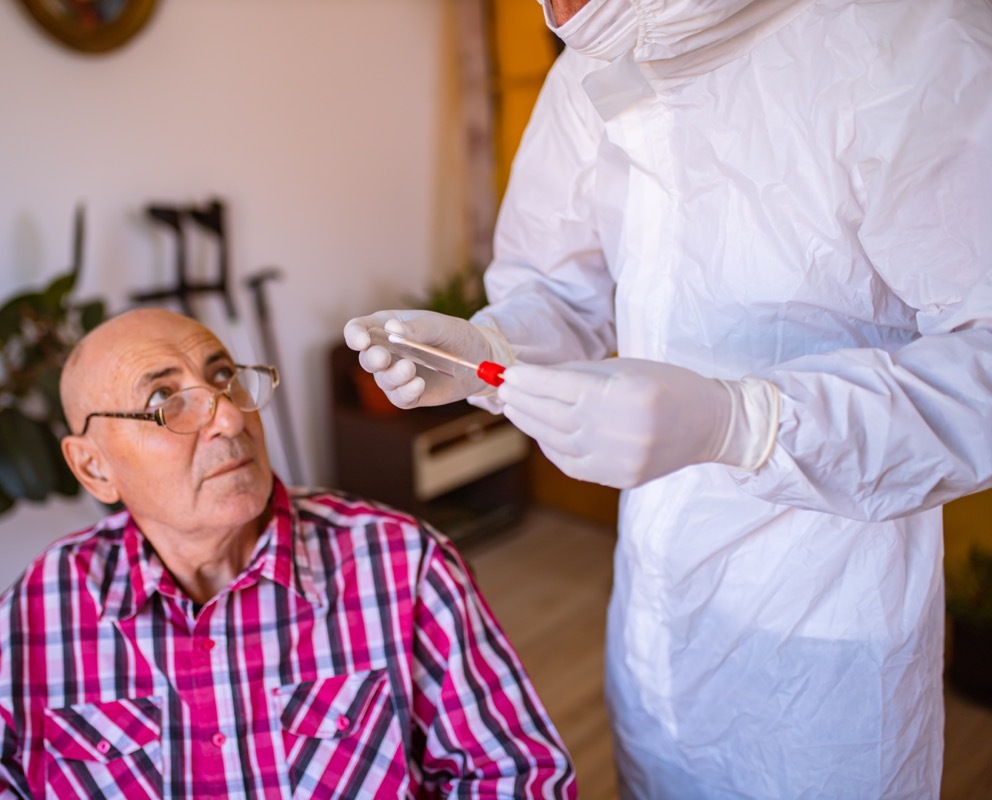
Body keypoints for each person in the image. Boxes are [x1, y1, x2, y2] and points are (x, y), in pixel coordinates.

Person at [345, 1, 992, 797]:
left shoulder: (911, 36)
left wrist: (744, 423)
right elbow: (561, 283)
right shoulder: (597, 58)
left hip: (828, 606)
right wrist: (491, 348)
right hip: (659, 584)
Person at [0, 308, 576, 798]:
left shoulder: (404, 565)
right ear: (94, 468)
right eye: (163, 400)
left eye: (226, 379)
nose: (231, 420)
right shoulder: (39, 614)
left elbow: (519, 778)